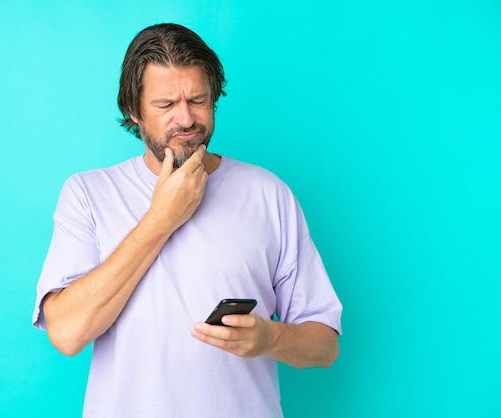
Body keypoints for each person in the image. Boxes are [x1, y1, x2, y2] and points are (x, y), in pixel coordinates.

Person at [32, 23, 342, 417]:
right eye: (165, 105)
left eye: (198, 100)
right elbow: (67, 333)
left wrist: (270, 337)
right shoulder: (88, 194)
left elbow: (325, 345)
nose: (186, 119)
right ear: (133, 110)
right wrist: (161, 218)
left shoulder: (268, 193)